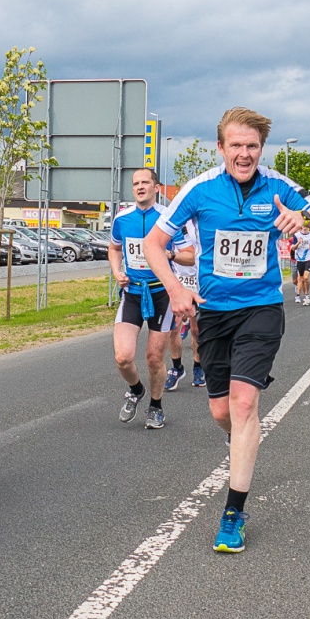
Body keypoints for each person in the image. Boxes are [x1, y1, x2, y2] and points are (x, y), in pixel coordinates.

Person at [143, 107, 310, 553]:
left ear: (261, 149)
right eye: (236, 145)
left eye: (252, 146)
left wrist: (304, 218)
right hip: (213, 313)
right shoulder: (199, 190)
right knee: (221, 413)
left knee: (244, 400)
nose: (244, 153)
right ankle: (242, 439)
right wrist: (175, 289)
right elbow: (155, 243)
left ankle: (233, 511)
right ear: (221, 148)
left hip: (262, 308)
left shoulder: (278, 187)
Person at [109, 168, 193, 430]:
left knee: (154, 358)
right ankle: (136, 390)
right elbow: (114, 248)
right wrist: (116, 272)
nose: (140, 187)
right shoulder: (122, 218)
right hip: (132, 292)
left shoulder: (168, 220)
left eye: (145, 182)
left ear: (156, 187)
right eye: (136, 183)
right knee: (123, 357)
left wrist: (169, 256)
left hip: (161, 294)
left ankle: (156, 407)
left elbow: (190, 255)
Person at [166, 222, 204, 389]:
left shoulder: (203, 221)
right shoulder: (176, 223)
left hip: (199, 281)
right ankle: (176, 368)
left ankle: (198, 366)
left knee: (197, 330)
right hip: (178, 280)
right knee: (173, 327)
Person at [290, 224, 310, 305]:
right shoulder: (297, 235)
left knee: (306, 277)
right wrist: (298, 242)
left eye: (306, 226)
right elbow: (293, 248)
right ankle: (298, 295)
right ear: (301, 227)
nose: (305, 227)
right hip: (299, 259)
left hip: (309, 258)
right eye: (303, 226)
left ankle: (307, 294)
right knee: (301, 278)